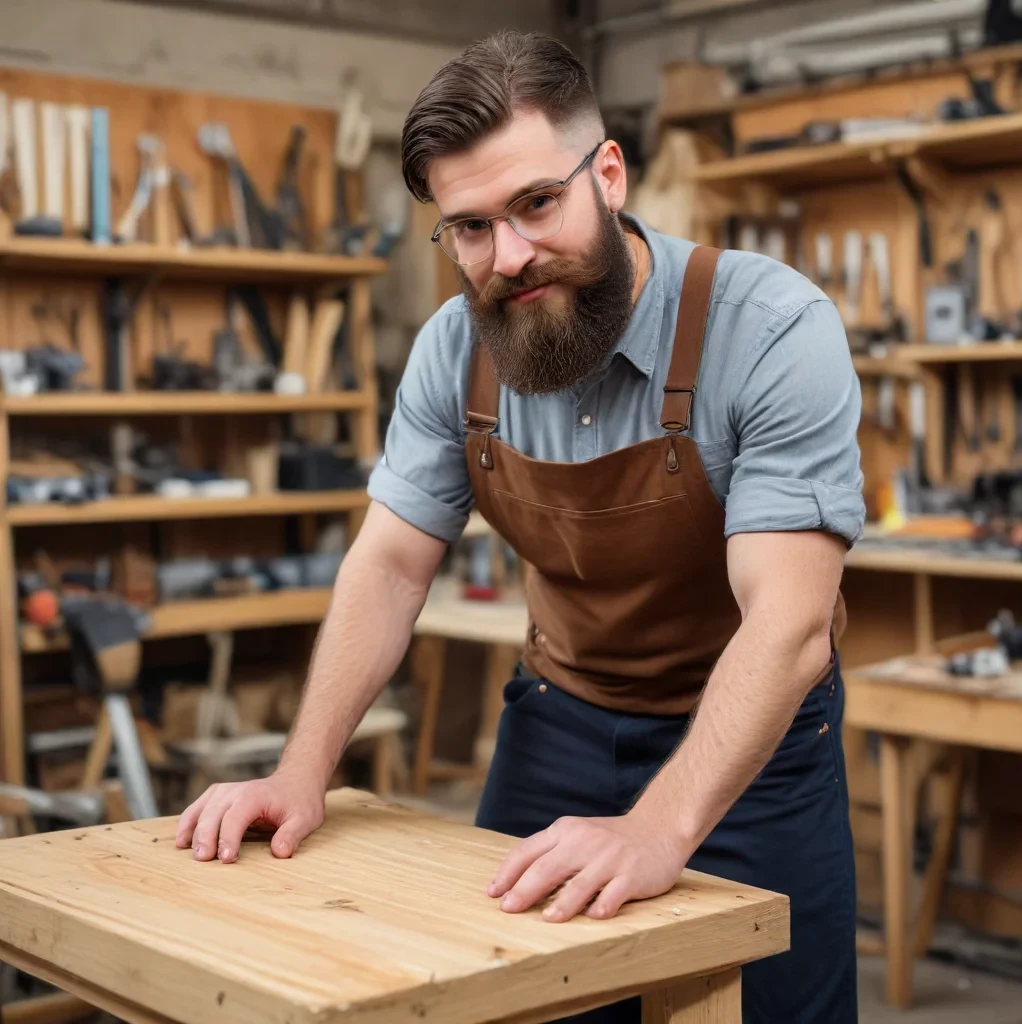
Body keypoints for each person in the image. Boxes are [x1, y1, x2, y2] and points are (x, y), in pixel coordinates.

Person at [175, 29, 865, 1024]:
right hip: (560, 722)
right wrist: (300, 771)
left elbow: (791, 624)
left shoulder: (767, 327)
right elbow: (390, 569)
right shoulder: (453, 351)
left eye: (538, 204)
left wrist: (659, 827)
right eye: (469, 227)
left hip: (752, 748)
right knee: (501, 1000)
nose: (509, 257)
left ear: (608, 174)